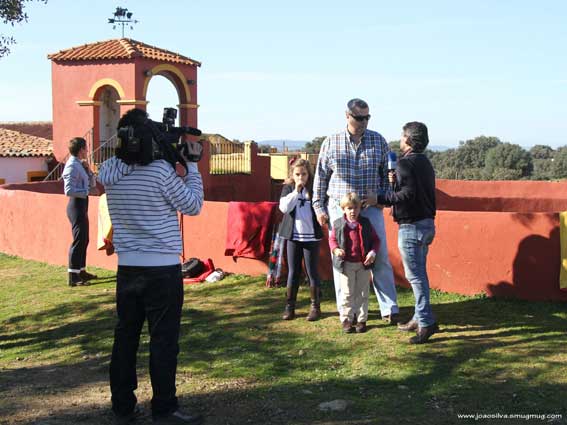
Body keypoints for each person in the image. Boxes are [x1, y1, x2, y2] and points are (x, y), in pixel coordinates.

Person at [97, 108, 204, 425]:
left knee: (125, 338)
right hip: (162, 269)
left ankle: (123, 406)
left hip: (127, 268)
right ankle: (165, 408)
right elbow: (193, 205)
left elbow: (120, 166)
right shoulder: (159, 172)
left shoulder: (108, 172)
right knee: (163, 340)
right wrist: (192, 167)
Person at [313, 98, 400, 324]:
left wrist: (383, 198)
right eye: (359, 118)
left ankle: (389, 308)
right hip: (339, 210)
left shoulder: (378, 141)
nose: (363, 122)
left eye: (367, 117)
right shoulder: (331, 142)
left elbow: (388, 174)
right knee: (341, 260)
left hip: (369, 208)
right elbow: (320, 179)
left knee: (378, 256)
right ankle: (347, 313)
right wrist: (318, 208)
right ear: (347, 116)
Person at [376, 122, 438, 344]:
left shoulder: (404, 163)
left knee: (416, 277)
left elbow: (406, 196)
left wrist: (379, 198)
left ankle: (426, 322)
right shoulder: (425, 163)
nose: (400, 139)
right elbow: (412, 190)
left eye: (403, 136)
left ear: (409, 140)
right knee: (420, 274)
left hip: (411, 227)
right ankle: (419, 317)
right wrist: (396, 183)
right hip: (427, 224)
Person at [278, 158, 323, 321]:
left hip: (311, 236)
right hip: (293, 236)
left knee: (311, 271)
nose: (301, 177)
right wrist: (296, 191)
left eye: (304, 174)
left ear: (308, 174)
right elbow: (284, 208)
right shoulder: (288, 188)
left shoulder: (314, 188)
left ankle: (315, 307)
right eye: (297, 174)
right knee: (293, 271)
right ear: (293, 174)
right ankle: (290, 307)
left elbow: (320, 206)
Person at [329, 192, 380, 333]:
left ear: (360, 208)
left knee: (363, 293)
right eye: (349, 208)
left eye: (355, 208)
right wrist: (336, 250)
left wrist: (372, 252)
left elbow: (376, 240)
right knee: (347, 293)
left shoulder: (366, 223)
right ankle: (347, 319)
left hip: (363, 264)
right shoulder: (338, 224)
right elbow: (332, 239)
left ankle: (362, 320)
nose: (353, 211)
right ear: (343, 209)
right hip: (346, 265)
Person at [62, 137, 98, 287]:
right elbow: (68, 190)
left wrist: (88, 170)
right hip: (76, 205)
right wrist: (87, 191)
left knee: (84, 239)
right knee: (78, 239)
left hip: (82, 203)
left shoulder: (79, 164)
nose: (88, 150)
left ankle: (81, 271)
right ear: (81, 149)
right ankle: (73, 276)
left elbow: (91, 182)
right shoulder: (71, 165)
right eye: (86, 147)